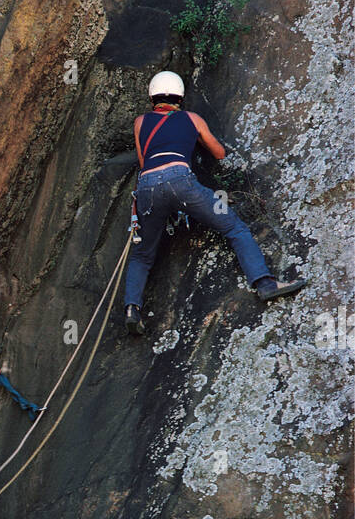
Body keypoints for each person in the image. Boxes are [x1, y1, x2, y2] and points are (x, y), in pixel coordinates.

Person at [123, 71, 305, 334]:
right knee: (234, 228)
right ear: (180, 96)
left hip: (148, 188)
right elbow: (219, 152)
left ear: (153, 96)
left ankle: (132, 309)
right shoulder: (192, 118)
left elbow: (144, 163)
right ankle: (265, 284)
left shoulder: (140, 122)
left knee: (142, 254)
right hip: (181, 181)